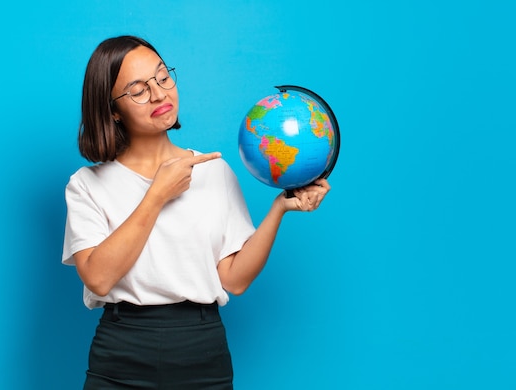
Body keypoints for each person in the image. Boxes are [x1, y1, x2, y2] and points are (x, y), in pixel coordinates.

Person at [61, 35, 331, 389]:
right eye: (138, 90)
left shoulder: (214, 172)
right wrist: (156, 195)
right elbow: (97, 278)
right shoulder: (86, 185)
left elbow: (234, 279)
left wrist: (279, 208)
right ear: (112, 109)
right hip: (121, 349)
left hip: (202, 349)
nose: (159, 94)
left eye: (162, 77)